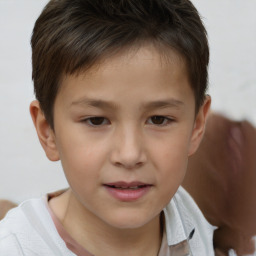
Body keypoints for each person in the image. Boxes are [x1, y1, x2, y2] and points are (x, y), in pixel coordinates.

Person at [0, 0, 215, 255]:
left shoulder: (199, 221)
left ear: (196, 125)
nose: (129, 155)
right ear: (48, 131)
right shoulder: (17, 248)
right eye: (96, 120)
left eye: (158, 119)